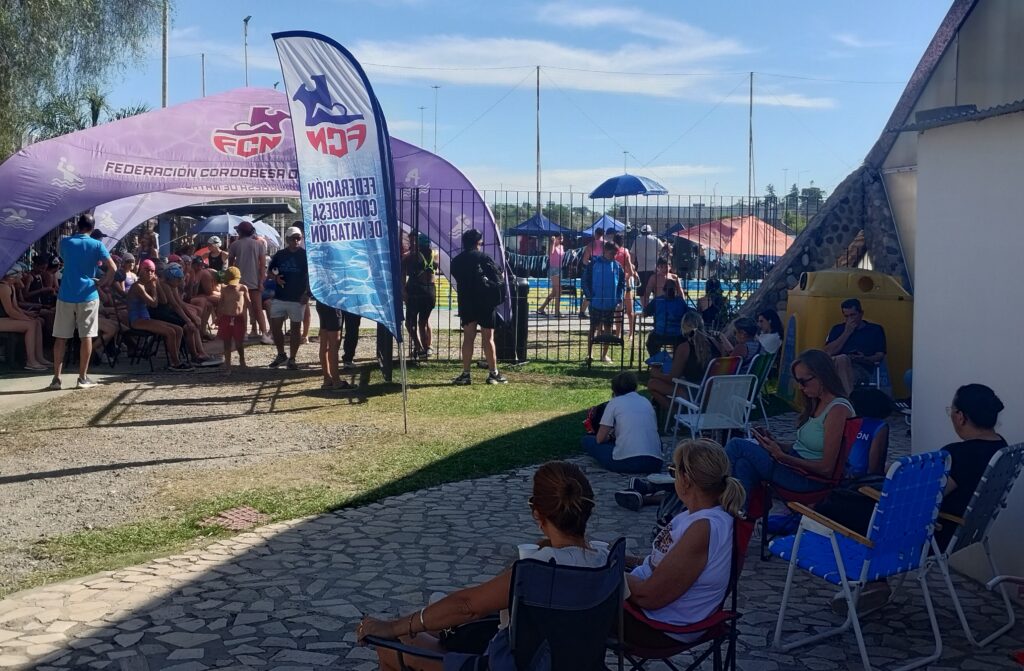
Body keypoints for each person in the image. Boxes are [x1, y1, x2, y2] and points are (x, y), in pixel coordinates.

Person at [356, 461, 607, 670]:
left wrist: (391, 626)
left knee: (391, 643)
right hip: (573, 661)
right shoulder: (606, 563)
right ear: (587, 509)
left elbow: (466, 606)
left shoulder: (535, 571)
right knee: (441, 626)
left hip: (511, 664)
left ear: (537, 515)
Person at [815, 383, 1006, 613]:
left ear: (961, 417)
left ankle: (871, 579)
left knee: (833, 505)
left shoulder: (957, 455)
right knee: (860, 496)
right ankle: (874, 580)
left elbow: (925, 498)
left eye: (951, 411)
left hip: (929, 532)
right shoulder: (1000, 448)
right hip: (961, 530)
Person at [623, 439, 744, 645]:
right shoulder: (696, 516)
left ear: (686, 479)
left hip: (660, 624)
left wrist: (607, 571)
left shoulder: (703, 528)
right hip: (653, 609)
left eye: (673, 471)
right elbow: (667, 566)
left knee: (568, 594)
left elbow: (649, 596)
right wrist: (619, 557)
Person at [724, 349, 854, 511]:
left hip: (809, 479)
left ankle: (712, 498)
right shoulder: (818, 403)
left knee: (736, 445)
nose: (800, 387)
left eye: (803, 381)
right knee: (743, 465)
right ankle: (735, 517)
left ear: (821, 376)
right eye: (797, 382)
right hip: (796, 468)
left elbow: (827, 469)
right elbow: (806, 448)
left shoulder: (837, 410)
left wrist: (782, 456)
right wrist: (775, 444)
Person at [50, 214, 117, 390]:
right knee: (86, 336)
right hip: (88, 294)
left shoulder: (65, 243)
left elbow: (64, 258)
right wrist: (102, 282)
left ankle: (56, 378)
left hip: (66, 293)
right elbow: (113, 268)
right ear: (92, 228)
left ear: (78, 226)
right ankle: (82, 377)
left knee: (61, 337)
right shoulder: (97, 245)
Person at [450, 229, 507, 385]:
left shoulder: (456, 261)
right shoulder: (484, 257)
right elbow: (498, 277)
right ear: (478, 243)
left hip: (466, 302)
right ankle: (493, 373)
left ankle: (466, 374)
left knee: (468, 338)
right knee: (488, 338)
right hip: (485, 302)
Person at [581, 372, 663, 474]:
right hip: (655, 463)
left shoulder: (614, 403)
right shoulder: (645, 401)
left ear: (614, 390)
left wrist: (610, 437)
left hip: (627, 462)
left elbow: (600, 439)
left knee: (588, 440)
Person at [647, 311, 721, 412]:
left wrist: (656, 373)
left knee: (652, 384)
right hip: (714, 390)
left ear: (684, 327)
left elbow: (672, 378)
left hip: (695, 392)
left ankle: (676, 413)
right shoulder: (714, 342)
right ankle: (682, 411)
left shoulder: (685, 347)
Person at [127, 259, 190, 371]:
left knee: (179, 330)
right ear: (141, 270)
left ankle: (175, 359)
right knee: (170, 332)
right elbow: (154, 304)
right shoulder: (138, 286)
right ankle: (176, 363)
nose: (150, 273)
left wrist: (157, 285)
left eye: (152, 271)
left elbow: (164, 301)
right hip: (137, 320)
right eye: (147, 270)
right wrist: (154, 287)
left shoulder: (147, 285)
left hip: (145, 318)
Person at [267, 226, 309, 370]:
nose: (296, 241)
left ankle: (292, 358)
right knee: (275, 326)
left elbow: (312, 276)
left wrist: (307, 294)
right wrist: (276, 278)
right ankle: (281, 354)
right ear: (287, 240)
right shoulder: (280, 255)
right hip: (280, 296)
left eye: (299, 238)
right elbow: (270, 271)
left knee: (295, 329)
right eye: (293, 238)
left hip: (297, 298)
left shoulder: (305, 255)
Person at [823, 298, 887, 393]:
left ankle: (845, 400)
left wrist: (865, 358)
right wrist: (847, 332)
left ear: (861, 314)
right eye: (846, 316)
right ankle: (846, 399)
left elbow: (880, 355)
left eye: (853, 315)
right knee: (841, 359)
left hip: (860, 367)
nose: (850, 319)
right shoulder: (837, 329)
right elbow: (828, 352)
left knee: (842, 362)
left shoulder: (875, 330)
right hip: (835, 365)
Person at [227, 220, 271, 344]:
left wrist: (230, 280)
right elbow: (262, 265)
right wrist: (261, 281)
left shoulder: (235, 245)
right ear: (251, 231)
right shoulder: (259, 245)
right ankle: (264, 334)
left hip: (239, 281)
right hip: (255, 281)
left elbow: (231, 265)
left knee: (242, 308)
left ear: (240, 232)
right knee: (257, 309)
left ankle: (243, 333)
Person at [0, 265, 51, 371]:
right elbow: (10, 311)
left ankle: (39, 357)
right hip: (2, 319)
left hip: (6, 318)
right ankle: (31, 361)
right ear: (12, 276)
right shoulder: (3, 287)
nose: (22, 276)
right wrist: (26, 319)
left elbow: (16, 307)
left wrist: (27, 315)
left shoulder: (11, 286)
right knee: (31, 325)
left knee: (36, 322)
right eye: (20, 274)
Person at [583, 241, 625, 364]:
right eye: (612, 253)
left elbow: (621, 284)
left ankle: (604, 355)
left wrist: (618, 298)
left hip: (609, 304)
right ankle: (589, 354)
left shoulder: (617, 266)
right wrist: (590, 296)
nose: (614, 255)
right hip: (596, 303)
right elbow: (585, 281)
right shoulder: (594, 264)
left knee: (608, 329)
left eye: (615, 253)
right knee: (593, 328)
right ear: (605, 251)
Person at [403, 233, 437, 358]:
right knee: (424, 321)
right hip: (430, 292)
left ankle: (419, 347)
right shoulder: (435, 256)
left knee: (409, 323)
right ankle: (428, 347)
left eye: (412, 241)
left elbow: (402, 273)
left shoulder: (410, 257)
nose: (410, 244)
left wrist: (404, 291)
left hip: (416, 291)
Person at [643, 280, 689, 358]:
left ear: (664, 290)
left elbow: (646, 313)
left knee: (651, 344)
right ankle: (675, 361)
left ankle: (658, 362)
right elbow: (688, 314)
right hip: (678, 336)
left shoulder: (657, 300)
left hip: (660, 335)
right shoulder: (680, 301)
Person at [216, 266, 249, 373]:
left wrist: (250, 318)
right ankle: (228, 365)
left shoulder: (243, 288)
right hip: (226, 318)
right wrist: (217, 317)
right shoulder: (224, 289)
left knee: (239, 343)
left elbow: (248, 303)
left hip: (238, 319)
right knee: (226, 343)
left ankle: (242, 359)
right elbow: (221, 304)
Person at [631, 224, 668, 298]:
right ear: (650, 231)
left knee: (642, 292)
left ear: (641, 232)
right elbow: (664, 249)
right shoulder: (655, 239)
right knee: (656, 290)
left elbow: (632, 255)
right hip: (654, 269)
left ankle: (645, 308)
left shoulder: (637, 240)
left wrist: (633, 267)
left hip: (641, 269)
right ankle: (655, 306)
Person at [613, 233, 638, 337]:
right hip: (626, 283)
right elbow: (631, 271)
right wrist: (627, 275)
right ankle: (631, 333)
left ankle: (618, 333)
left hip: (615, 283)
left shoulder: (611, 252)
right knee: (629, 310)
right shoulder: (625, 251)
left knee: (617, 310)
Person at [579, 226, 605, 318]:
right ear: (603, 234)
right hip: (603, 270)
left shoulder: (591, 245)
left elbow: (584, 260)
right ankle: (599, 311)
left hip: (592, 270)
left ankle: (582, 311)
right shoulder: (606, 244)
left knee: (590, 292)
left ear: (595, 234)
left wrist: (591, 263)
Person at [536, 233, 564, 317]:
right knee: (559, 291)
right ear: (555, 238)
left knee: (554, 293)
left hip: (560, 269)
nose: (561, 240)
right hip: (553, 269)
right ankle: (556, 312)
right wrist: (552, 242)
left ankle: (541, 308)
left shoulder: (562, 247)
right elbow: (550, 253)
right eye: (560, 238)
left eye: (562, 238)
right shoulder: (553, 245)